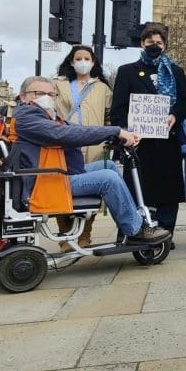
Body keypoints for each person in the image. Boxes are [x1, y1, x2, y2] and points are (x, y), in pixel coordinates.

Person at [13, 76, 170, 245]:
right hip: (47, 180)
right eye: (39, 93)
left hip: (57, 172)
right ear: (23, 96)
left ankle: (130, 218)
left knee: (108, 165)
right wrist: (116, 131)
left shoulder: (44, 115)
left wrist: (115, 133)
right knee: (108, 179)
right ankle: (135, 230)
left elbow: (77, 129)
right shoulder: (27, 118)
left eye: (51, 94)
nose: (47, 97)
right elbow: (67, 135)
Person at [111, 25, 186, 244]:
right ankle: (137, 229)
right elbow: (118, 107)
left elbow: (184, 102)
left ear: (165, 46)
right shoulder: (127, 71)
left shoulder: (176, 72)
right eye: (150, 42)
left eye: (159, 43)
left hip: (167, 140)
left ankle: (165, 233)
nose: (154, 46)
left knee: (168, 190)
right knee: (138, 188)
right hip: (139, 143)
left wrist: (175, 115)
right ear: (142, 44)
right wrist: (124, 133)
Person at [53, 45, 113, 249]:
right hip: (66, 144)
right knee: (62, 188)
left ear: (93, 62)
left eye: (87, 58)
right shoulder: (58, 85)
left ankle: (85, 234)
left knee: (93, 190)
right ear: (71, 61)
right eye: (78, 58)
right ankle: (64, 236)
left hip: (94, 146)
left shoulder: (102, 88)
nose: (82, 62)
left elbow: (108, 116)